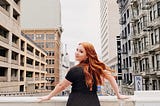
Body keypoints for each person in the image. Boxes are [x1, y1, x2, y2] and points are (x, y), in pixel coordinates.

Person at [38, 42, 129, 106]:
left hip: (75, 103)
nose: (77, 53)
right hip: (93, 103)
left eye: (81, 51)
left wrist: (48, 96)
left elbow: (61, 86)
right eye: (77, 50)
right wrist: (118, 94)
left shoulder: (74, 70)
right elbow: (111, 78)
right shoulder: (96, 68)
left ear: (87, 55)